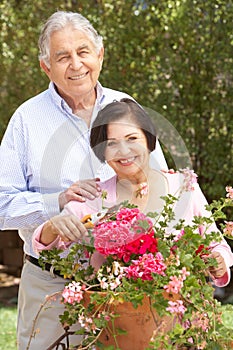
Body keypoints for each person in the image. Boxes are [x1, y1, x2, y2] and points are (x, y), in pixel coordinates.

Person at [0, 11, 167, 350]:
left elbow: (163, 186)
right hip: (51, 286)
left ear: (100, 55)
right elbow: (2, 204)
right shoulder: (26, 120)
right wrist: (55, 203)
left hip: (127, 289)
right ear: (46, 67)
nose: (76, 64)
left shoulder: (128, 108)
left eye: (83, 52)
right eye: (63, 56)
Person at [33, 98, 233, 302]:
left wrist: (219, 261)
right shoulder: (94, 196)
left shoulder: (183, 187)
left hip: (180, 318)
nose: (124, 151)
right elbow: (46, 247)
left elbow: (217, 245)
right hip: (117, 320)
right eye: (112, 143)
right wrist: (52, 227)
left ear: (148, 139)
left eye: (132, 138)